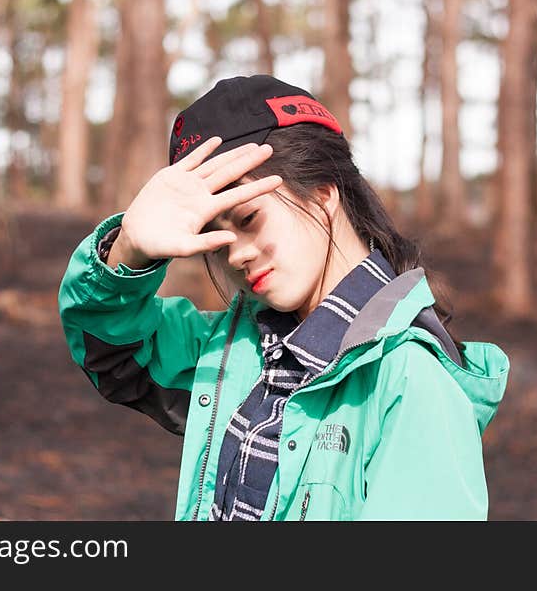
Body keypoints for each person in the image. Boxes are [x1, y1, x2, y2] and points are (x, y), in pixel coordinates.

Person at [58, 74, 510, 521]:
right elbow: (113, 356)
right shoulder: (231, 350)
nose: (235, 255)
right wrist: (129, 252)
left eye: (249, 218)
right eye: (217, 239)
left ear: (322, 193)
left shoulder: (408, 380)